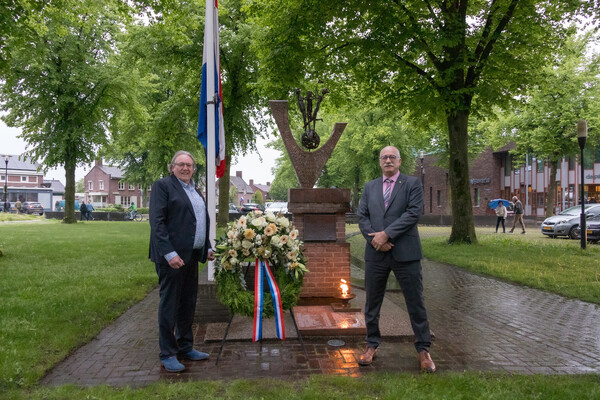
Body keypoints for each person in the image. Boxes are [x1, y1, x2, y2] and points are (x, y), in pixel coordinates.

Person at [357, 145, 435, 373]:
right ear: (380, 162)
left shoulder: (412, 184)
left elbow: (413, 213)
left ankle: (423, 349)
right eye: (384, 157)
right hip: (376, 254)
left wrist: (386, 234)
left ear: (399, 161)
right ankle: (371, 344)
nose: (388, 160)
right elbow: (362, 216)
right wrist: (375, 239)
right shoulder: (370, 187)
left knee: (415, 303)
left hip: (406, 253)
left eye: (392, 157)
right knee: (372, 303)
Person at [149, 150, 215, 373]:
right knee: (170, 305)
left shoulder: (195, 190)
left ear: (194, 169)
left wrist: (206, 247)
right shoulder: (163, 187)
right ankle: (168, 353)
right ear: (172, 167)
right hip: (172, 259)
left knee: (188, 304)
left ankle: (185, 346)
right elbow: (157, 223)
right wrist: (169, 254)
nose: (185, 168)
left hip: (191, 257)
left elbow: (199, 222)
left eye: (189, 165)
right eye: (181, 164)